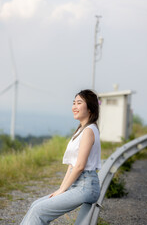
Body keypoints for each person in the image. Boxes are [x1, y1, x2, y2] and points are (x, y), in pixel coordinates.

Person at [20, 89, 101, 225]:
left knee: (39, 211)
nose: (74, 107)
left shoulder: (88, 131)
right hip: (78, 185)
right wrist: (61, 188)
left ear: (90, 108)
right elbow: (72, 165)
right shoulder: (82, 130)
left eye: (79, 103)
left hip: (86, 186)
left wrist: (62, 190)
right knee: (36, 204)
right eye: (73, 103)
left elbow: (80, 166)